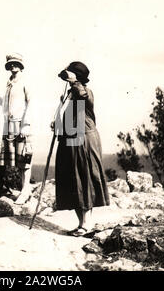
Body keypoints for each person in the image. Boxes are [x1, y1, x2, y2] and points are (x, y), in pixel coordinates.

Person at [54, 61, 110, 237]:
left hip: (84, 140)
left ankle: (86, 224)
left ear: (78, 76)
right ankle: (81, 224)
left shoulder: (82, 91)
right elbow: (70, 116)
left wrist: (75, 82)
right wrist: (58, 124)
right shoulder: (69, 93)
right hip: (72, 138)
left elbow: (83, 95)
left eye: (70, 72)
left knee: (83, 178)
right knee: (73, 179)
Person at [0, 53, 33, 204]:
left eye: (16, 64)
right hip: (8, 125)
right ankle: (24, 189)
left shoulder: (25, 82)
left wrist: (26, 125)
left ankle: (26, 190)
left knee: (24, 159)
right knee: (16, 161)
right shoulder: (9, 83)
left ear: (20, 66)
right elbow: (6, 104)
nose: (13, 66)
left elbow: (31, 103)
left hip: (21, 123)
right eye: (11, 64)